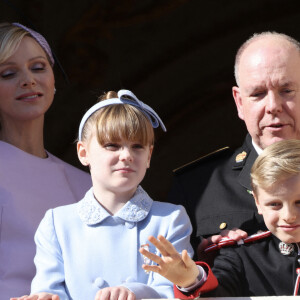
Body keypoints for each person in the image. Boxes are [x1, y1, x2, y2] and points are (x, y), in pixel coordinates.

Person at [12, 90, 194, 300]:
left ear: (149, 156)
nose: (126, 155)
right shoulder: (57, 223)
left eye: (137, 146)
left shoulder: (170, 219)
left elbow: (174, 292)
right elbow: (49, 288)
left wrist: (134, 293)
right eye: (112, 146)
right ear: (83, 153)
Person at [168, 31, 300, 257]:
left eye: (286, 91)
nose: (273, 106)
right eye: (258, 94)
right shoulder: (195, 188)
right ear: (239, 102)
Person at [0, 22, 91, 299]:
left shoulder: (88, 183)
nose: (28, 80)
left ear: (53, 79)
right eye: (8, 73)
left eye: (38, 67)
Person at [140, 139, 300, 297]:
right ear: (257, 202)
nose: (289, 216)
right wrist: (191, 281)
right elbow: (217, 293)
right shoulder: (241, 254)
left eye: (299, 202)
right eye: (274, 204)